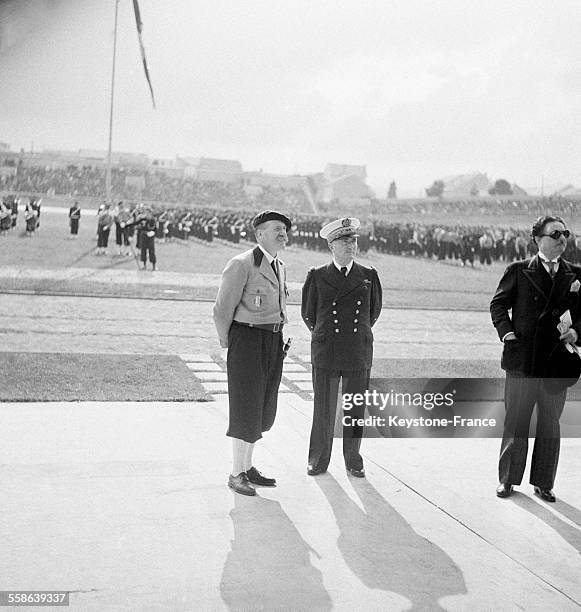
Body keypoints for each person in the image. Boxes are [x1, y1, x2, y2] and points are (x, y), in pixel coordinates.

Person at [491, 215, 581, 502]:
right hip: (523, 360)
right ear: (538, 239)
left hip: (556, 362)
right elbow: (498, 305)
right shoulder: (518, 270)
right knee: (516, 421)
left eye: (565, 234)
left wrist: (577, 334)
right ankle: (508, 481)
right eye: (555, 234)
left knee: (550, 424)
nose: (562, 239)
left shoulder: (576, 274)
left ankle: (544, 482)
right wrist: (509, 336)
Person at [213, 209, 291, 496]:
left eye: (284, 229)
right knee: (246, 407)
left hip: (272, 341)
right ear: (259, 234)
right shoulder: (241, 264)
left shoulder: (280, 265)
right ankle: (235, 473)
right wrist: (229, 343)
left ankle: (247, 467)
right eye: (276, 229)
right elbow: (222, 310)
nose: (282, 233)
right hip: (246, 340)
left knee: (261, 408)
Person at [301, 217, 382, 478]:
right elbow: (308, 314)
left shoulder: (368, 275)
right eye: (344, 241)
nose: (351, 245)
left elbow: (373, 312)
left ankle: (353, 459)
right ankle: (318, 459)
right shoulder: (317, 275)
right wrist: (326, 335)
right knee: (323, 408)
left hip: (357, 349)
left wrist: (356, 333)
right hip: (327, 349)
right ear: (331, 246)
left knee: (355, 408)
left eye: (353, 240)